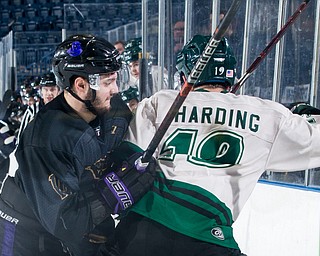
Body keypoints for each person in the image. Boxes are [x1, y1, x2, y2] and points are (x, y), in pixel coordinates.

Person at [115, 35, 320, 256]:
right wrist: (306, 116)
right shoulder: (269, 115)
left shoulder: (160, 102)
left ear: (184, 75)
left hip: (140, 232)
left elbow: (129, 159)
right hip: (208, 239)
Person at [0, 34, 155, 256]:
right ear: (81, 85)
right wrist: (116, 192)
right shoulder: (46, 138)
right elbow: (65, 221)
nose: (116, 89)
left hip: (76, 215)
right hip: (25, 227)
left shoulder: (114, 108)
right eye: (108, 82)